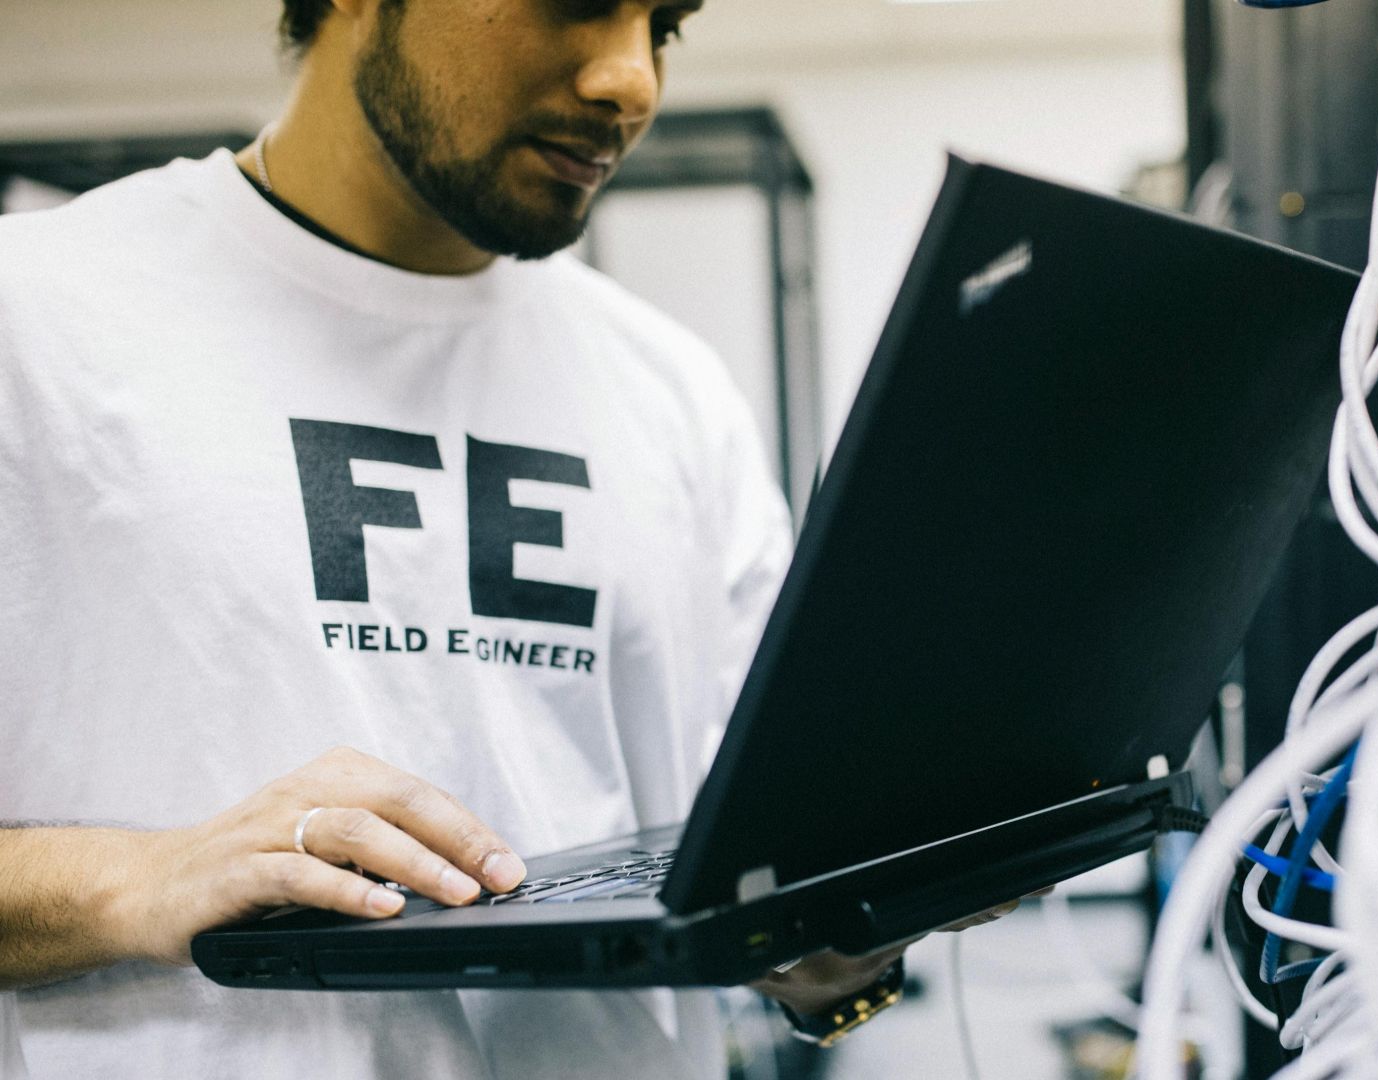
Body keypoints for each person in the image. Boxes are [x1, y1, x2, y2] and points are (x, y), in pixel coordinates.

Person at [0, 1, 1001, 1075]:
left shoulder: (671, 390)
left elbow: (752, 873)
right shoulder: (36, 316)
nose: (632, 82)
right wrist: (141, 879)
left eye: (662, 24)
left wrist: (835, 952)